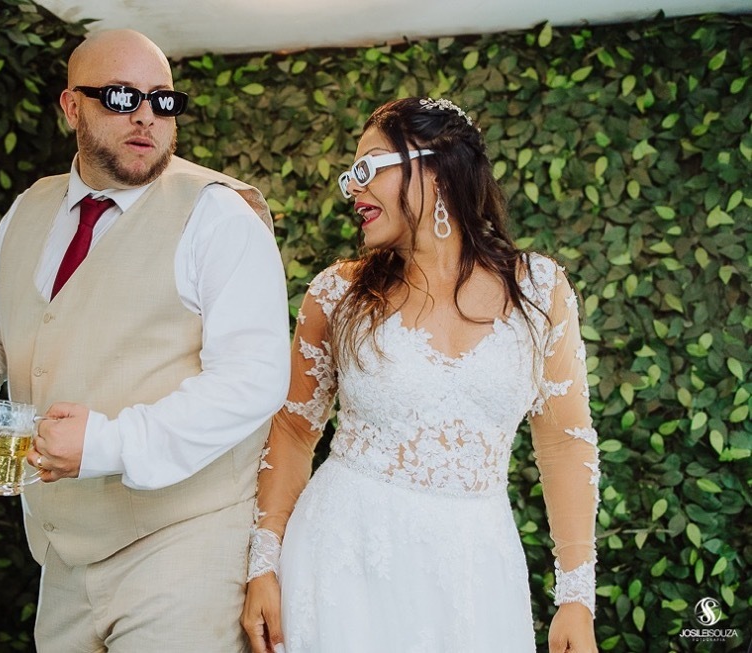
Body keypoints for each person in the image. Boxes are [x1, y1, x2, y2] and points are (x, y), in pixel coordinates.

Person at [0, 29, 290, 653]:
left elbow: (253, 378)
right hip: (62, 556)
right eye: (122, 97)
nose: (147, 117)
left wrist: (109, 442)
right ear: (72, 107)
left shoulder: (219, 215)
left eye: (162, 101)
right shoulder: (28, 209)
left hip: (183, 548)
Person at [241, 97, 599, 653]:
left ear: (435, 167)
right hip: (341, 561)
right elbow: (292, 430)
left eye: (367, 168)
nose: (352, 189)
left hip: (474, 574)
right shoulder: (336, 294)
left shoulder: (539, 291)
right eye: (349, 175)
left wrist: (576, 596)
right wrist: (263, 564)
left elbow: (565, 443)